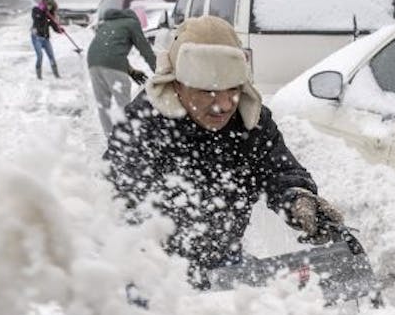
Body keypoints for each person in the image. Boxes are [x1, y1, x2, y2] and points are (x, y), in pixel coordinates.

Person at [105, 15, 342, 290]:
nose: (225, 104)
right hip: (155, 273)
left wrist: (298, 198)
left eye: (233, 89)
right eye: (208, 91)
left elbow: (280, 171)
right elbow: (117, 193)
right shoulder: (145, 122)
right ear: (177, 84)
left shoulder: (250, 121)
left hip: (224, 260)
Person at [87, 6, 157, 141]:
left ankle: (110, 139)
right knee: (124, 104)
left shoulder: (107, 23)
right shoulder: (132, 23)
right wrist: (159, 71)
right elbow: (145, 49)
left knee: (103, 104)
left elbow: (109, 51)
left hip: (93, 63)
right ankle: (129, 139)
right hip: (112, 63)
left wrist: (131, 71)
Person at [30, 0, 64, 80]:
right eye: (48, 5)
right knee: (40, 56)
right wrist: (43, 12)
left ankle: (56, 75)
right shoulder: (36, 10)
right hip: (36, 37)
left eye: (51, 5)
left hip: (45, 38)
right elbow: (36, 18)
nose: (49, 7)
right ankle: (39, 76)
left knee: (51, 56)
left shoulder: (50, 14)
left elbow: (53, 25)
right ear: (44, 4)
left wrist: (59, 30)